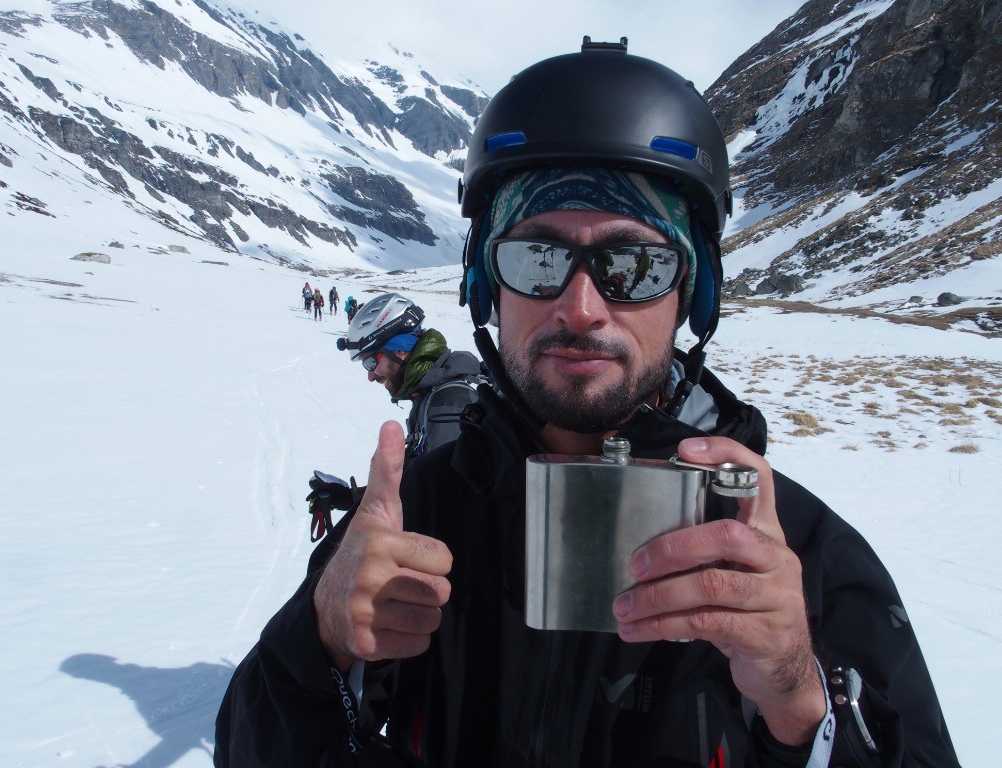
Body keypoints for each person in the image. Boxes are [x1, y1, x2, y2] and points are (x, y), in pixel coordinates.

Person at [215, 39, 959, 767]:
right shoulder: (409, 520)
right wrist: (318, 644)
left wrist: (802, 708)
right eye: (536, 257)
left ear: (691, 294)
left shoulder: (797, 554)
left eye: (633, 264)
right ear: (485, 285)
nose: (580, 307)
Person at [304, 292, 487, 541]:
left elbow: (444, 507)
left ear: (399, 351)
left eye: (370, 363)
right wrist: (352, 497)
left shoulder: (448, 402)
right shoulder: (427, 396)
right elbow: (419, 482)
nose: (370, 376)